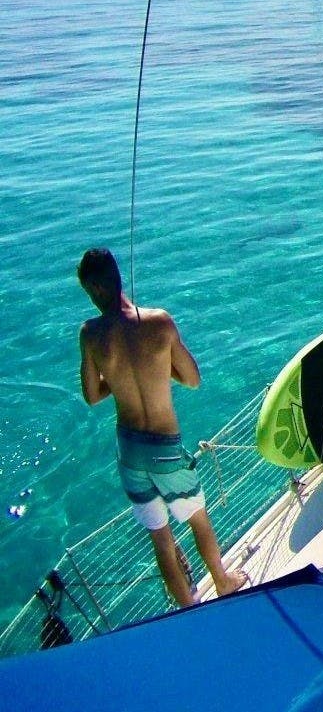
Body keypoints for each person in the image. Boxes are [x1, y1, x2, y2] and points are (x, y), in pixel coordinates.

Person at [76, 248, 246, 606]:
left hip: (129, 450)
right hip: (164, 447)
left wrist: (118, 377)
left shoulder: (90, 334)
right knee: (198, 520)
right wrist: (157, 366)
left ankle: (187, 606)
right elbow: (193, 379)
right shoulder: (159, 322)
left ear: (95, 289)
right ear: (118, 277)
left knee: (162, 539)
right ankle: (223, 580)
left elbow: (92, 395)